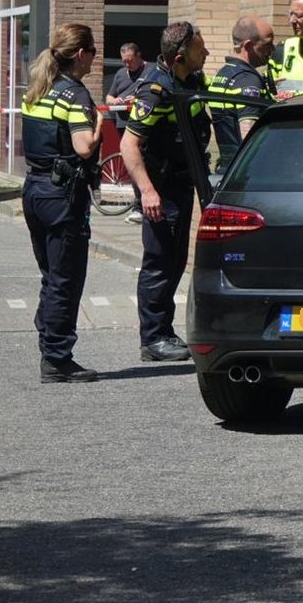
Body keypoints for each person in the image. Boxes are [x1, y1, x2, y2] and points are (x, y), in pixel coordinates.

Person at [120, 20, 210, 363]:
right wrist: (148, 191)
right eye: (200, 48)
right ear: (181, 54)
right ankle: (153, 338)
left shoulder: (191, 80)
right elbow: (130, 144)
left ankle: (164, 331)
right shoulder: (155, 89)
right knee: (159, 263)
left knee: (174, 261)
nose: (207, 52)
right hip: (162, 189)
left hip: (183, 185)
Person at [20, 23, 105, 383]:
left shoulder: (38, 89)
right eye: (93, 54)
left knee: (50, 275)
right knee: (65, 278)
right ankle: (56, 357)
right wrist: (100, 122)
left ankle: (49, 345)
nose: (93, 62)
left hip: (35, 189)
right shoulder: (74, 94)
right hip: (62, 196)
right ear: (81, 53)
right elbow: (84, 146)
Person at [208, 16, 277, 172]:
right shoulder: (248, 80)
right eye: (267, 44)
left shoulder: (224, 74)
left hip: (227, 166)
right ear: (248, 46)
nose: (272, 50)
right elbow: (248, 131)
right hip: (246, 172)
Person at [104, 41, 148, 118]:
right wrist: (114, 101)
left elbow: (156, 98)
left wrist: (137, 100)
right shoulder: (120, 73)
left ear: (138, 56)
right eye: (124, 61)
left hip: (140, 120)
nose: (127, 65)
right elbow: (109, 97)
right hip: (121, 123)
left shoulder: (150, 72)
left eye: (130, 61)